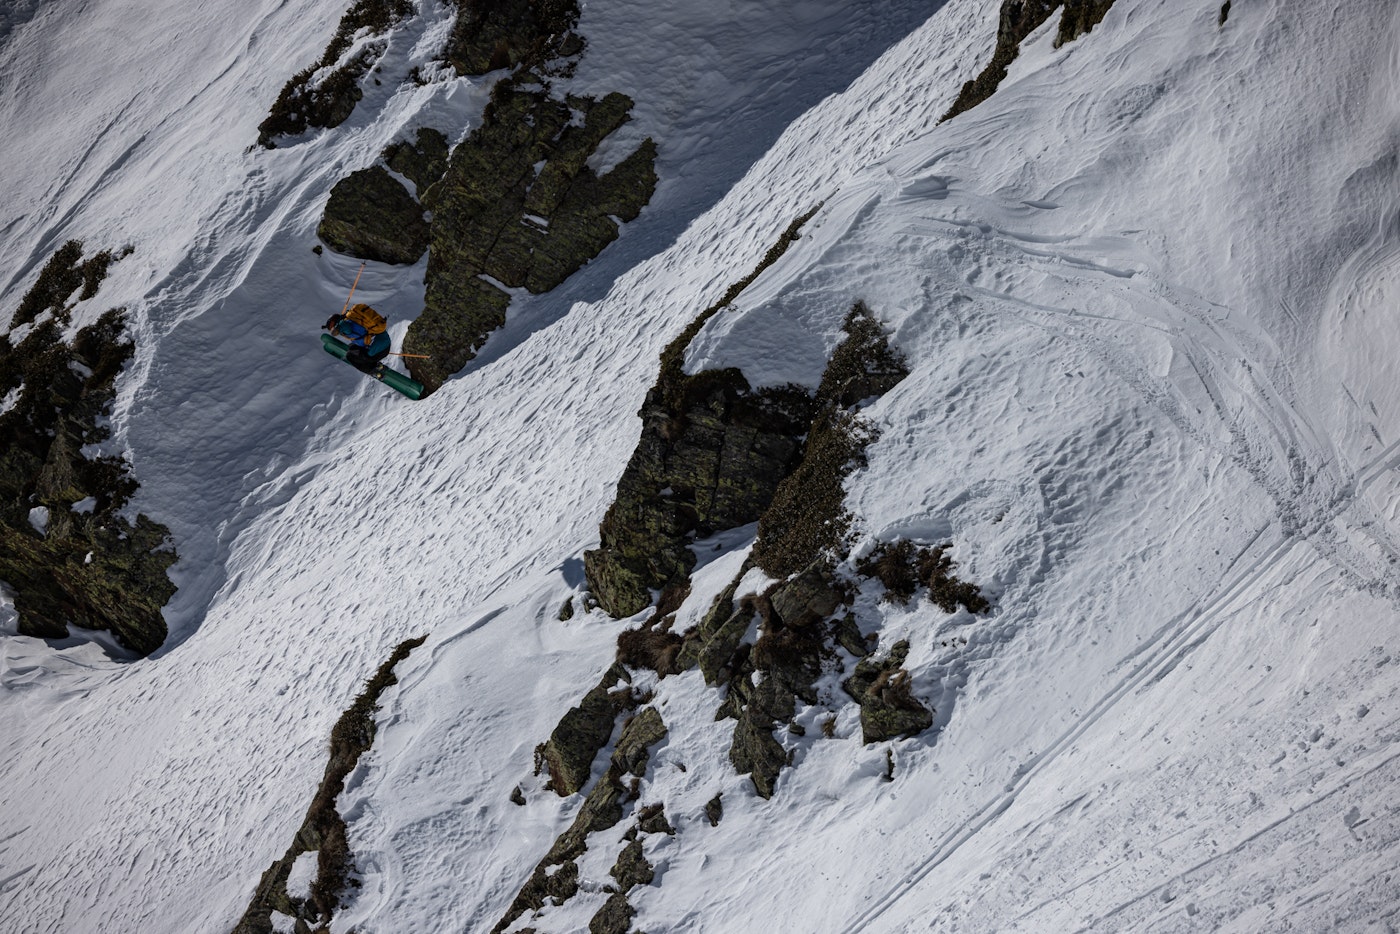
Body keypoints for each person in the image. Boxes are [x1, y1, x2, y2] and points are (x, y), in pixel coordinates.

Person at [324, 303, 391, 374]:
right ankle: (375, 366)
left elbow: (347, 327)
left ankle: (373, 370)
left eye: (331, 326)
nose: (331, 328)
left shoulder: (343, 324)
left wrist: (337, 330)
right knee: (352, 347)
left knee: (350, 356)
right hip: (384, 342)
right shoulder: (351, 318)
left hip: (379, 350)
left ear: (335, 320)